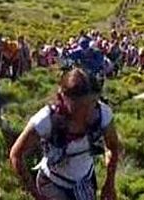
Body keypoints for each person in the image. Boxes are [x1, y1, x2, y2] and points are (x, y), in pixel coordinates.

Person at [10, 69, 121, 200]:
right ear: (63, 98)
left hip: (86, 181)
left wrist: (109, 183)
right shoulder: (46, 120)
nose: (86, 113)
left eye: (92, 104)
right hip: (53, 184)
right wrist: (37, 195)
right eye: (79, 107)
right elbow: (16, 155)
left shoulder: (102, 114)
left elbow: (113, 148)